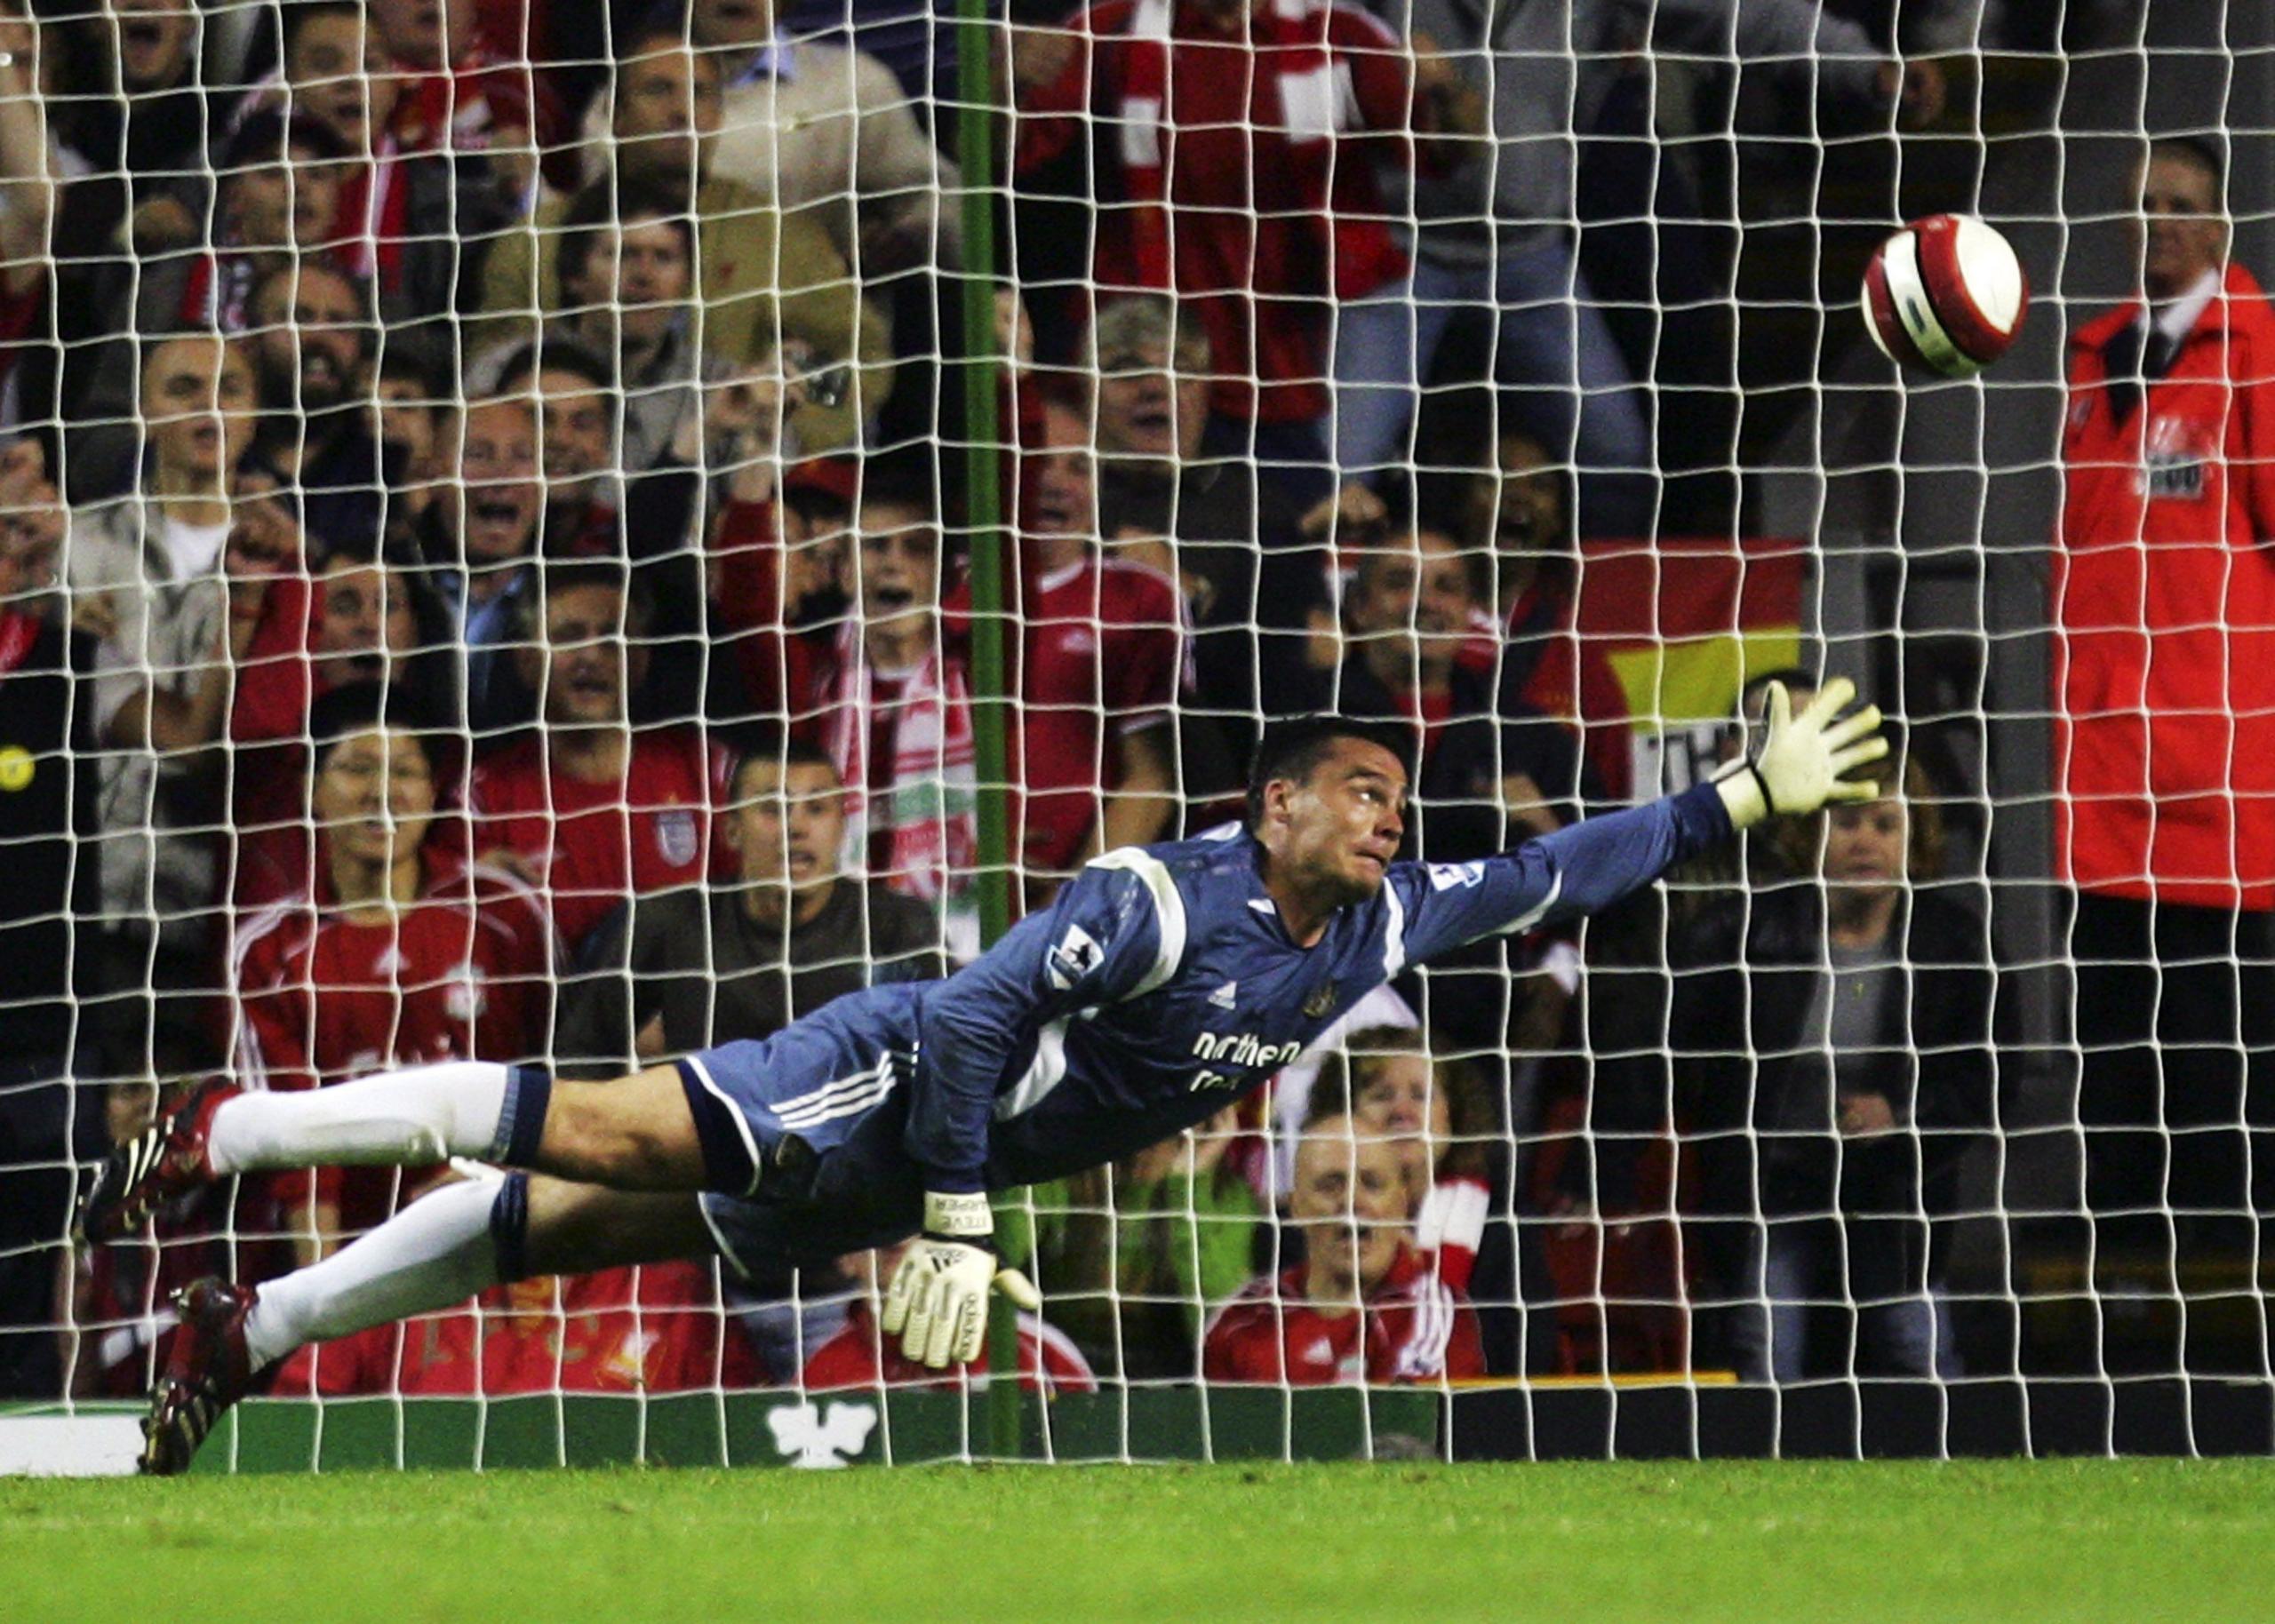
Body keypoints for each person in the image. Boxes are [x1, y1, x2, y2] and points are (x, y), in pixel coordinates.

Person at [83, 689, 1885, 1472]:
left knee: (557, 1230)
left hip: (925, 1163)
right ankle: (214, 1129)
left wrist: (1738, 793)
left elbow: (1564, 862)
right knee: (598, 1119)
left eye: (1395, 793)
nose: (1388, 812)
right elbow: (958, 1019)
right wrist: (949, 1205)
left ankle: (247, 1332)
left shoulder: (1379, 918)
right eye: (1356, 785)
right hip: (882, 1085)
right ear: (1274, 804)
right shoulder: (1156, 897)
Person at [1333, 0, 1942, 540]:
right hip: (1397, 254)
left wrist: (1863, 66)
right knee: (1331, 474)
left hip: (1530, 259)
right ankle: (1326, 638)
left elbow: (1742, 14)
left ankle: (1575, 635)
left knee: (1619, 470)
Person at [2057, 134, 2275, 1286]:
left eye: (2183, 204)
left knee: (2215, 1054)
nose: (2162, 223)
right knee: (2112, 1055)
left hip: (2219, 770)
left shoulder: (2261, 351)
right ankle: (2122, 1297)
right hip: (2103, 772)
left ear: (2223, 224)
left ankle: (2230, 1302)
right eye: (2146, 204)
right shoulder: (2094, 358)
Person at [1672, 748, 1992, 1381]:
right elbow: (1678, 1057)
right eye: (1846, 823)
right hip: (1775, 1186)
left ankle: (1957, 1477)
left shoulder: (1953, 944)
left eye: (1884, 824)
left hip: (1894, 1191)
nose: (1864, 841)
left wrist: (1901, 1115)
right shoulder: (1744, 933)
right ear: (1811, 834)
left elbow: (1987, 1084)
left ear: (1916, 838)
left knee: (1917, 1347)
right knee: (1767, 1351)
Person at [234, 685, 552, 1264]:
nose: (382, 792)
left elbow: (563, 1074)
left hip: (507, 1224)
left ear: (433, 792)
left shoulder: (504, 914)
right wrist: (329, 1302)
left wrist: (503, 1187)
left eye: (405, 771)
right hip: (362, 1252)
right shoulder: (268, 952)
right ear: (312, 791)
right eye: (357, 768)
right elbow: (295, 1152)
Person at [556, 740, 943, 1079]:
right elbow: (579, 1054)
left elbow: (946, 1048)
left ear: (842, 826)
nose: (795, 827)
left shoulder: (896, 926)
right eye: (773, 809)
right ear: (732, 830)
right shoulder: (672, 923)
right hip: (708, 1144)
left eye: (817, 808)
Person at [465, 560, 733, 951]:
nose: (591, 656)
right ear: (526, 662)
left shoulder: (709, 770)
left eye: (612, 639)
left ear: (640, 659)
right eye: (569, 638)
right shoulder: (484, 800)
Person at [1202, 1111, 1484, 1384]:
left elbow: (1406, 1426)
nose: (1352, 1202)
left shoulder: (1429, 1314)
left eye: (1372, 1184)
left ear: (1400, 1205)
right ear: (1297, 1207)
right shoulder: (1241, 1320)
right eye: (1330, 1185)